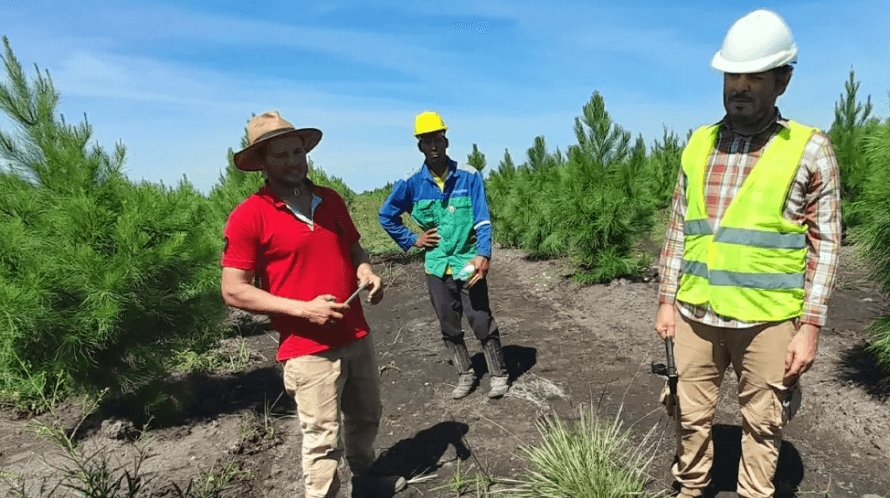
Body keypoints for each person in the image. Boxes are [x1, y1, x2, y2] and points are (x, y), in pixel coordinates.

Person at [653, 9, 842, 498]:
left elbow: (826, 244)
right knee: (689, 414)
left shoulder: (809, 149)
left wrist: (812, 326)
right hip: (696, 310)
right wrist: (666, 300)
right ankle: (691, 487)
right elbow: (679, 228)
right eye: (731, 74)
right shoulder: (697, 144)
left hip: (769, 319)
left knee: (763, 421)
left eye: (754, 76)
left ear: (782, 81)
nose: (738, 85)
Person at [220, 111, 406, 498]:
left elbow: (355, 248)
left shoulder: (331, 200)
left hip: (355, 333)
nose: (292, 161)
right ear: (262, 164)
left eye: (297, 151)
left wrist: (366, 271)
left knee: (365, 418)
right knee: (322, 440)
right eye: (280, 155)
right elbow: (234, 289)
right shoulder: (248, 217)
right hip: (307, 349)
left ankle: (367, 481)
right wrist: (304, 309)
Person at [378, 111, 509, 399]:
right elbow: (386, 215)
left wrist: (483, 255)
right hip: (436, 266)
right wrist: (413, 240)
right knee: (448, 323)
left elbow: (482, 220)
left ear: (446, 140)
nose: (433, 145)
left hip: (467, 262)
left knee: (480, 318)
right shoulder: (411, 183)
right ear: (419, 147)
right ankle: (465, 374)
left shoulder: (469, 176)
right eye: (426, 140)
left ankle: (498, 375)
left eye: (437, 138)